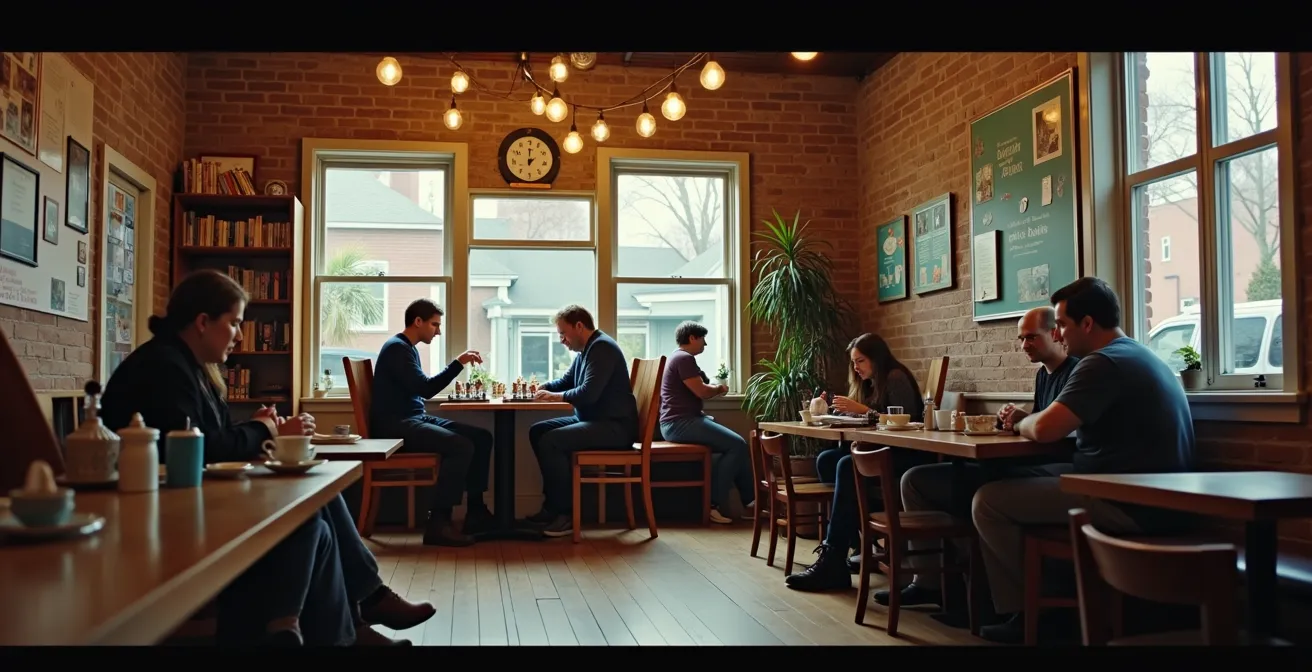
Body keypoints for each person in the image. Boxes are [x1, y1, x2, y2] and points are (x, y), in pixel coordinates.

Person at [100, 269, 434, 646]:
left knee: (314, 498)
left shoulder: (184, 364)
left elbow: (211, 438)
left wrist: (262, 426)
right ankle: (357, 614)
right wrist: (265, 431)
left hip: (184, 498)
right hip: (162, 514)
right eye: (235, 323)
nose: (241, 335)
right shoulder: (166, 368)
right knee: (311, 519)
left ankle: (358, 617)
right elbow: (203, 447)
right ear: (203, 322)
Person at [971, 277, 1196, 643]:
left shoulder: (1101, 363)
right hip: (1157, 494)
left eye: (1061, 324)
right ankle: (1047, 597)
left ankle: (1034, 615)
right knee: (1012, 478)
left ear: (1087, 323)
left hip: (1129, 501)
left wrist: (1021, 421)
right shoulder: (1137, 353)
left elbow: (1045, 429)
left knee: (988, 501)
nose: (1058, 335)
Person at [878, 306, 1079, 611]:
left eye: (1031, 338)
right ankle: (930, 583)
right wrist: (1016, 418)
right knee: (914, 480)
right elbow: (1038, 422)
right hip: (1027, 464)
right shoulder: (1043, 375)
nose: (1024, 345)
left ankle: (980, 594)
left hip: (1053, 472)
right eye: (1021, 339)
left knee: (977, 489)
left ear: (1054, 333)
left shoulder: (1077, 373)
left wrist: (1023, 421)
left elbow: (1057, 432)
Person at [785, 333, 933, 592]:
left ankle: (833, 559)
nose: (856, 367)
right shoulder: (871, 383)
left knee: (846, 465)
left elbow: (906, 421)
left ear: (877, 358)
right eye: (853, 362)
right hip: (883, 451)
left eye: (860, 361)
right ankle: (857, 543)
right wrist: (841, 413)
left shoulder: (895, 377)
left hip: (908, 455)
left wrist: (863, 411)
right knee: (827, 460)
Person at [370, 298, 494, 547]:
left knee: (481, 437)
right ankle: (439, 523)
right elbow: (426, 389)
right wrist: (458, 363)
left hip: (412, 418)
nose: (438, 332)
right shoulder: (397, 349)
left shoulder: (406, 348)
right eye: (435, 325)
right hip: (396, 425)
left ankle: (476, 513)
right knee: (461, 446)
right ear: (418, 321)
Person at [523, 305, 639, 538]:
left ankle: (565, 514)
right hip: (596, 421)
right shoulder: (586, 350)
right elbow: (567, 382)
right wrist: (543, 387)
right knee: (538, 431)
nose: (562, 340)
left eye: (563, 334)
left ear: (579, 326)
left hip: (615, 427)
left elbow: (588, 394)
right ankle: (552, 507)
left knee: (552, 441)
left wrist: (555, 397)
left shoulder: (602, 348)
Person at [657, 321, 753, 524]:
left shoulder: (677, 357)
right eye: (703, 339)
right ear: (692, 338)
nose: (705, 344)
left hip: (677, 422)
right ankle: (713, 504)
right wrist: (719, 388)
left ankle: (751, 503)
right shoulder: (684, 358)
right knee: (737, 445)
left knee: (738, 447)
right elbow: (701, 391)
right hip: (680, 423)